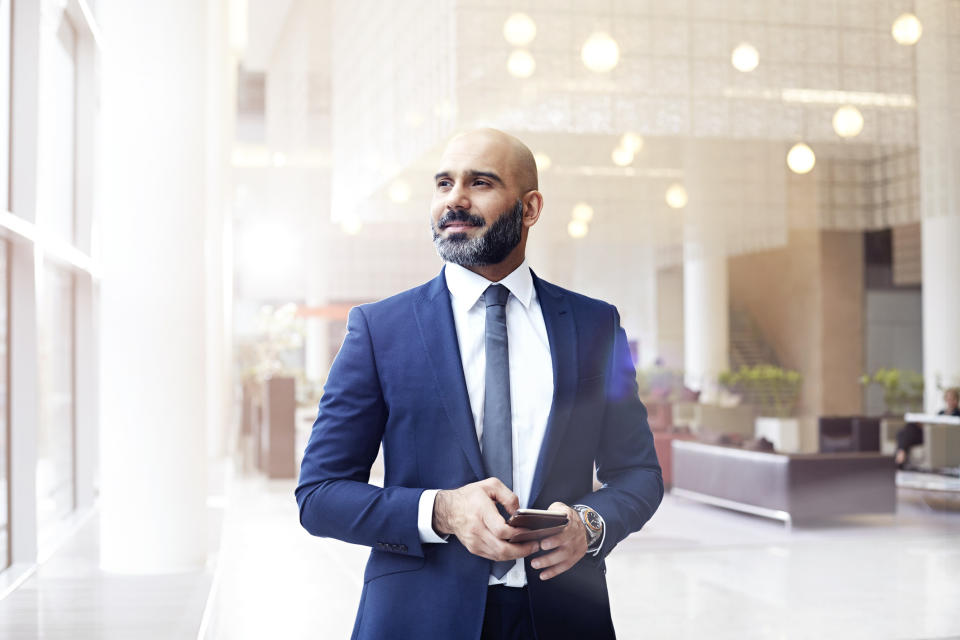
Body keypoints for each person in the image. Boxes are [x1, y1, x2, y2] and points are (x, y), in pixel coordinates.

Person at [295, 128, 662, 640]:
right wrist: (442, 511)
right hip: (418, 619)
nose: (455, 200)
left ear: (530, 208)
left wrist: (590, 524)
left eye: (480, 183)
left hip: (562, 619)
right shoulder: (381, 329)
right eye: (444, 183)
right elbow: (319, 495)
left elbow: (639, 473)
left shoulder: (594, 325)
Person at [894, 387, 960, 468]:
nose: (950, 401)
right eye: (948, 398)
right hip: (930, 434)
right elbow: (933, 424)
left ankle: (901, 454)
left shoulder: (957, 413)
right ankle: (902, 452)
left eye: (952, 399)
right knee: (907, 428)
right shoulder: (941, 412)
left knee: (902, 433)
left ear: (957, 400)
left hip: (939, 438)